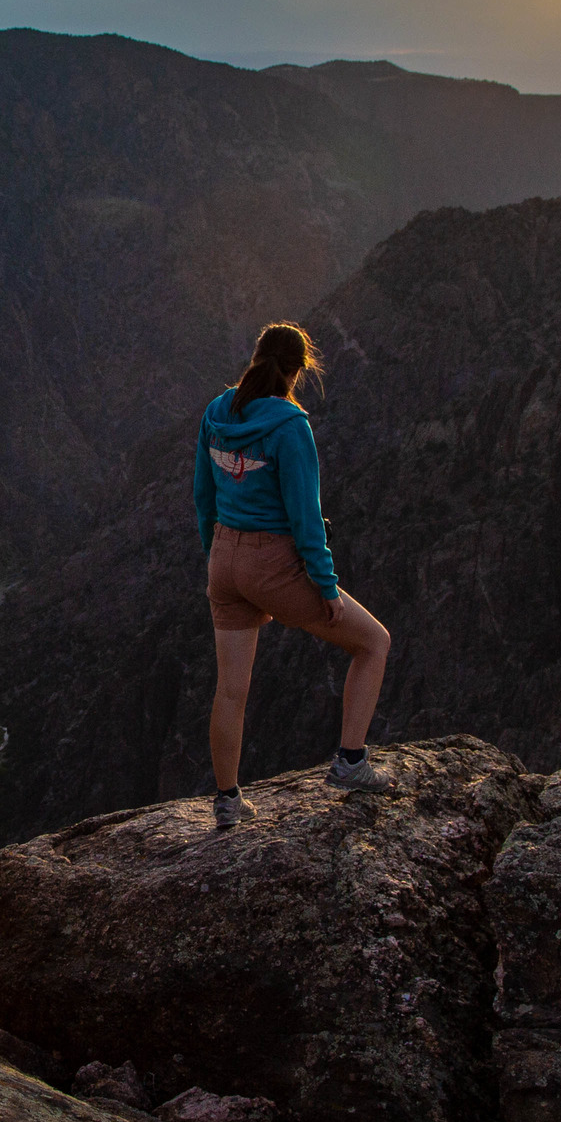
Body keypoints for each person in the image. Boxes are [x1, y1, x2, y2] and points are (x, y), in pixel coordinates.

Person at [191, 321, 393, 829]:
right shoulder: (289, 426)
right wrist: (325, 588)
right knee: (373, 643)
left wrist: (215, 555)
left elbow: (202, 496)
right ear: (299, 370)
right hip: (271, 563)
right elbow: (306, 518)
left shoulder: (217, 413)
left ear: (256, 356)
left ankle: (227, 802)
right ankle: (350, 763)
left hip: (224, 558)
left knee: (230, 690)